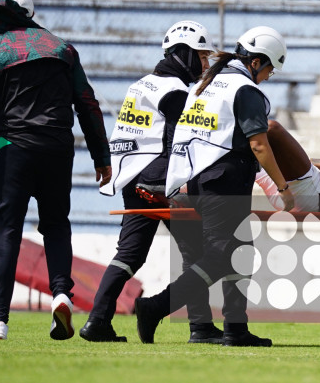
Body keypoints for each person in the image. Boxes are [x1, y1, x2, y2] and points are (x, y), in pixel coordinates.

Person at [133, 26, 293, 346]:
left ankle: (235, 329)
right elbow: (259, 144)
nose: (269, 74)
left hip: (192, 179)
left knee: (237, 253)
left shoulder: (204, 84)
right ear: (256, 61)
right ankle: (154, 307)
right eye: (270, 67)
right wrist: (282, 187)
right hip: (225, 181)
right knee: (221, 256)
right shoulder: (245, 90)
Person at [0, 0, 111, 340]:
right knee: (56, 226)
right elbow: (87, 104)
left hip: (11, 149)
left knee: (5, 233)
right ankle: (61, 294)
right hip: (58, 150)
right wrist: (101, 156)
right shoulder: (63, 49)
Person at [81, 21, 225, 343]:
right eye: (201, 57)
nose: (205, 65)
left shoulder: (142, 84)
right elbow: (187, 135)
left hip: (134, 181)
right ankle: (199, 327)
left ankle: (97, 321)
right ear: (184, 53)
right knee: (199, 254)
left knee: (129, 254)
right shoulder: (172, 89)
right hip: (160, 183)